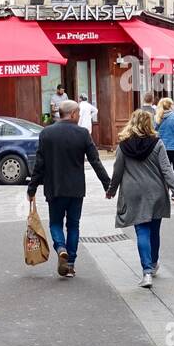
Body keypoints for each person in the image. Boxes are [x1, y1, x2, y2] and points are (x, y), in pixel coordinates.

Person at [26, 100, 111, 279]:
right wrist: (107, 184)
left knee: (55, 223)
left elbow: (39, 164)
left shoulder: (46, 133)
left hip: (54, 188)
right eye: (78, 113)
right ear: (72, 114)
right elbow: (95, 161)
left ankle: (61, 247)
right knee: (73, 225)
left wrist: (32, 188)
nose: (79, 116)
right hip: (76, 189)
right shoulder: (83, 134)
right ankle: (70, 263)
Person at [106, 110, 174, 288]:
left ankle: (146, 272)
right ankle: (153, 264)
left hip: (133, 193)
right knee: (154, 230)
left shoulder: (123, 146)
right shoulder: (157, 144)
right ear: (149, 124)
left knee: (142, 231)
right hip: (155, 192)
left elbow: (117, 171)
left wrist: (111, 190)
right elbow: (166, 170)